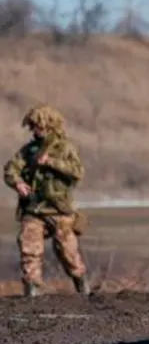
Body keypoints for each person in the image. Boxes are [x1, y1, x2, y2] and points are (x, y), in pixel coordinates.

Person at [3, 105, 89, 296]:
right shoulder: (29, 150)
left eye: (38, 126)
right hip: (34, 209)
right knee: (29, 247)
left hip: (59, 210)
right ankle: (33, 287)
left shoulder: (65, 148)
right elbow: (11, 169)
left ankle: (82, 285)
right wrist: (18, 183)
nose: (35, 131)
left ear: (49, 126)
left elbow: (77, 172)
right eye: (32, 127)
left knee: (68, 253)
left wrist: (51, 162)